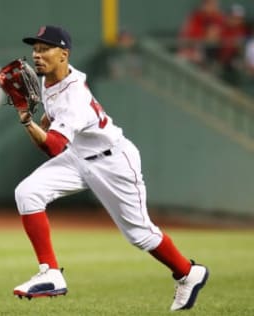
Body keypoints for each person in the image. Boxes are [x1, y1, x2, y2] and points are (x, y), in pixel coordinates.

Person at [12, 25, 209, 311]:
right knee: (27, 192)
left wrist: (26, 121)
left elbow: (52, 147)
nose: (37, 55)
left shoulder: (74, 95)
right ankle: (51, 273)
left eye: (45, 49)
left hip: (113, 162)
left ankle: (189, 273)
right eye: (35, 49)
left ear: (63, 54)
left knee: (140, 235)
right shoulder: (50, 79)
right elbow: (57, 127)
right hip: (78, 156)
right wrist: (43, 119)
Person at [177, 0, 225, 68]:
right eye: (209, 4)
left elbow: (212, 38)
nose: (212, 7)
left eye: (215, 4)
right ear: (204, 5)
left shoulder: (218, 18)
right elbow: (184, 35)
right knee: (180, 58)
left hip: (208, 52)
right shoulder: (196, 15)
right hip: (191, 49)